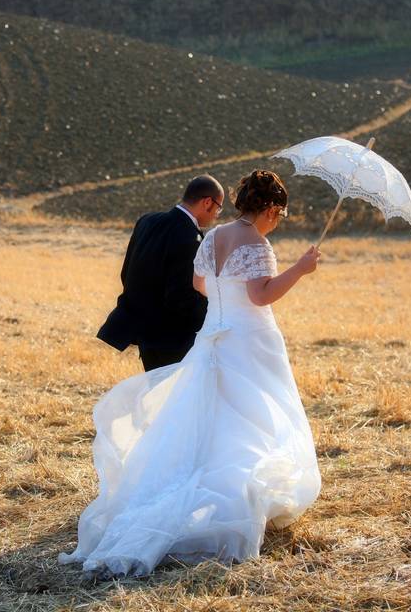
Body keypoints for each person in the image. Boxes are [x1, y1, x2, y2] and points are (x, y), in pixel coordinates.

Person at [60, 169, 322, 578]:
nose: (277, 222)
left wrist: (225, 299)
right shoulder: (257, 243)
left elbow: (200, 284)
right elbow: (261, 294)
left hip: (212, 337)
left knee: (203, 420)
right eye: (279, 215)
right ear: (271, 208)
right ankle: (242, 502)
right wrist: (301, 269)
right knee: (250, 421)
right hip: (248, 340)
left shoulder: (214, 235)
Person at [97, 175, 225, 371]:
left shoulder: (147, 221)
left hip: (145, 334)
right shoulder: (190, 238)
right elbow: (181, 297)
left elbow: (127, 273)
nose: (217, 214)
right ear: (207, 202)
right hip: (173, 339)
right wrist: (212, 320)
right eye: (218, 208)